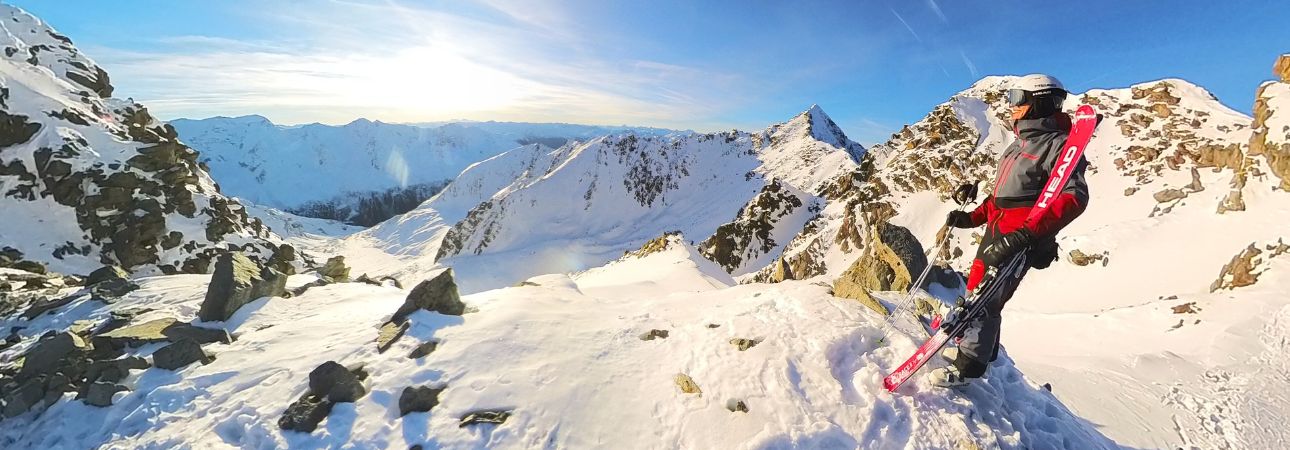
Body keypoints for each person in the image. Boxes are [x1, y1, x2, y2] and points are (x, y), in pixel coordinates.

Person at [928, 74, 1091, 388]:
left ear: (1040, 101)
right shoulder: (1018, 145)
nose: (1011, 105)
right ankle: (981, 351)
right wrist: (971, 218)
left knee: (985, 299)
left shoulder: (1059, 146)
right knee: (979, 290)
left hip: (1022, 237)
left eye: (1018, 97)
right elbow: (1000, 199)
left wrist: (1029, 235)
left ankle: (969, 368)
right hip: (998, 229)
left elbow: (1074, 197)